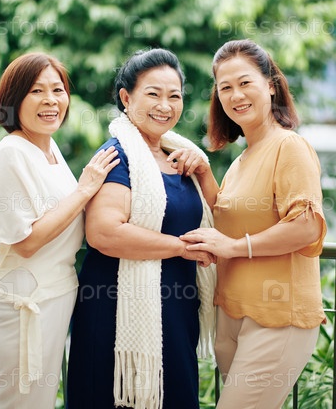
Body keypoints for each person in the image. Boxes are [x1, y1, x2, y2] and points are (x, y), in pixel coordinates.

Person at [0, 51, 119, 409]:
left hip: (56, 297)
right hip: (23, 309)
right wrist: (85, 189)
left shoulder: (49, 150)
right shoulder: (11, 153)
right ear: (14, 100)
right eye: (37, 91)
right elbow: (26, 241)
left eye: (57, 90)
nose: (51, 100)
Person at [66, 48, 218, 409]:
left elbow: (222, 216)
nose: (165, 105)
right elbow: (104, 233)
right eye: (153, 94)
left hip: (177, 311)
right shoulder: (117, 156)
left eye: (174, 96)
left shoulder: (180, 157)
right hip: (116, 309)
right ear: (126, 98)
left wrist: (205, 171)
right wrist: (181, 248)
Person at [181, 39, 327, 409]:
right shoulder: (241, 160)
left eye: (245, 82)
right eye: (225, 87)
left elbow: (307, 227)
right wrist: (204, 173)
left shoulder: (289, 147)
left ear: (271, 85)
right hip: (233, 314)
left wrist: (233, 248)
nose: (236, 95)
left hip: (277, 318)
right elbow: (228, 217)